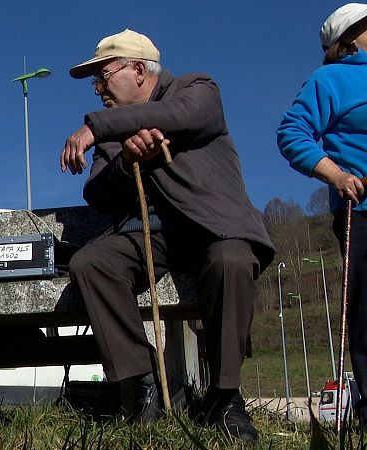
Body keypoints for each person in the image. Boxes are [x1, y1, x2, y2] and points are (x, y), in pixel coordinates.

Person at [60, 29, 274, 441]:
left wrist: (95, 128)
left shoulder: (196, 88)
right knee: (92, 263)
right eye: (96, 83)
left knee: (231, 260)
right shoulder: (115, 135)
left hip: (215, 228)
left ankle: (225, 397)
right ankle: (145, 385)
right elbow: (98, 192)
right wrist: (125, 158)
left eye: (103, 77)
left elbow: (180, 116)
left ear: (138, 70)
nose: (98, 90)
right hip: (154, 236)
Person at [277, 3, 367, 431]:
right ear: (350, 39)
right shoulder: (330, 79)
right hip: (363, 211)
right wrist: (335, 174)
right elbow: (292, 132)